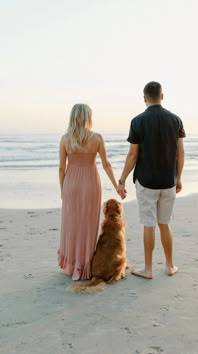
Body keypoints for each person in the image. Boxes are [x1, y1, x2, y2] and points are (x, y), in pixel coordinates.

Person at [117, 81, 185, 279]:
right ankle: (170, 266)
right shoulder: (176, 120)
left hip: (146, 182)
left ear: (145, 98)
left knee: (149, 224)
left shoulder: (138, 121)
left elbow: (132, 155)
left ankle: (148, 269)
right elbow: (180, 153)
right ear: (162, 96)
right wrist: (178, 178)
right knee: (164, 223)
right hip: (168, 181)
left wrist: (122, 180)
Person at [58, 103, 118, 281]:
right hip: (91, 183)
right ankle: (85, 265)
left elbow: (62, 168)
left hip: (71, 184)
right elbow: (106, 164)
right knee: (88, 224)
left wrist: (63, 190)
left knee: (72, 224)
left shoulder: (65, 139)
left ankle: (71, 265)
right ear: (88, 118)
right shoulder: (97, 138)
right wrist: (117, 186)